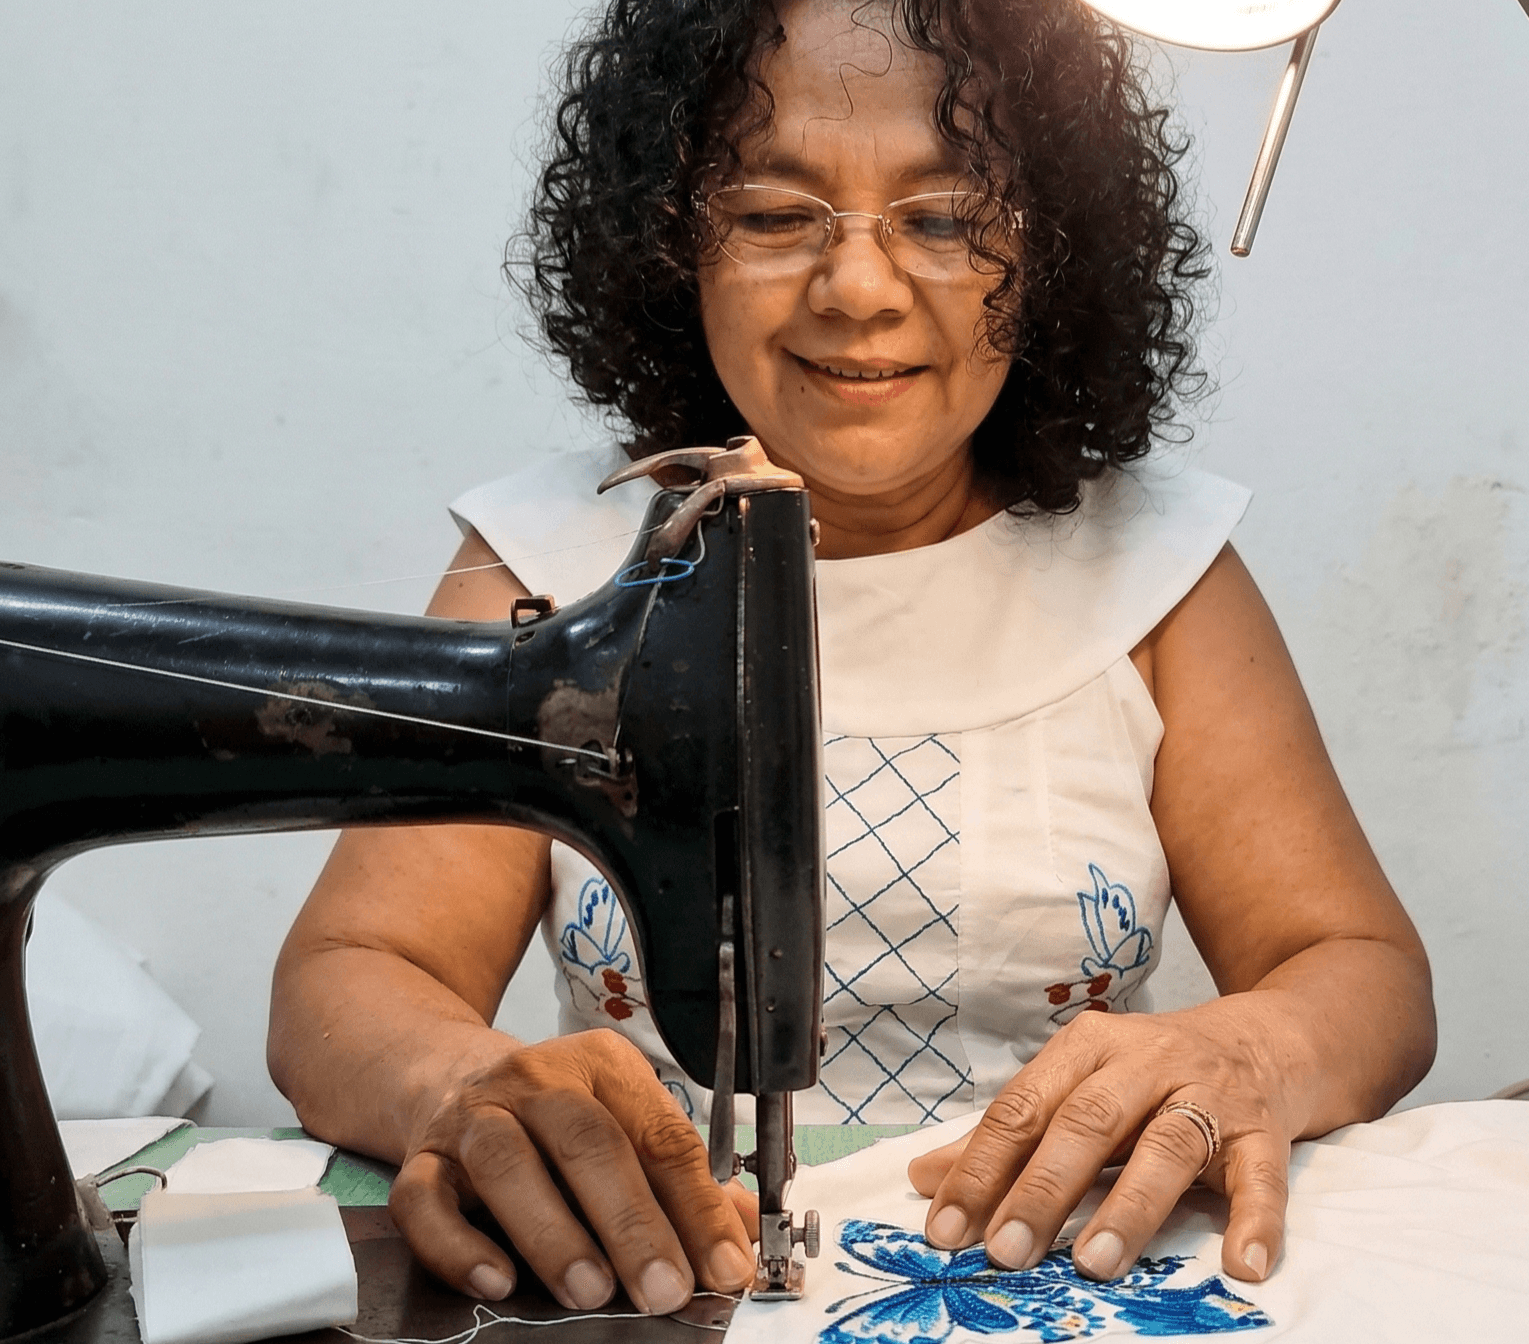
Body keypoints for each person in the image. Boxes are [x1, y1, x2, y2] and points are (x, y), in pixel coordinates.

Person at [267, 0, 1436, 1322]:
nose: (861, 289)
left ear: (1051, 252)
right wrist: (454, 1089)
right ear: (667, 244)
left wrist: (1250, 1048)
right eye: (774, 216)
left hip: (1044, 1273)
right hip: (649, 1272)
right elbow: (350, 976)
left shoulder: (1159, 584)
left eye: (942, 219)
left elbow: (1359, 967)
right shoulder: (546, 568)